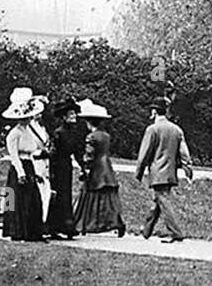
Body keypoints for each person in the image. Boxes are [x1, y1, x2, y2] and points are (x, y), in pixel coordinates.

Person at [135, 96, 194, 242]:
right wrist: (188, 170)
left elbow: (144, 154)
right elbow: (184, 153)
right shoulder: (176, 130)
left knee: (163, 201)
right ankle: (146, 230)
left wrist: (139, 172)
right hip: (170, 172)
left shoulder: (152, 129)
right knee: (158, 201)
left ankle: (176, 232)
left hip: (157, 172)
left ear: (154, 112)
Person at [1, 87, 49, 242]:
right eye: (25, 117)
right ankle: (16, 230)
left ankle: (33, 231)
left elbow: (33, 150)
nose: (28, 119)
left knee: (33, 199)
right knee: (14, 200)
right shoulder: (14, 134)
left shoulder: (29, 131)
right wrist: (21, 172)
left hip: (29, 165)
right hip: (18, 168)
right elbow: (14, 155)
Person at [73, 98, 125, 236]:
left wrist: (85, 168)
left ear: (89, 122)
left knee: (90, 195)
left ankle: (86, 224)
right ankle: (115, 222)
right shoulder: (106, 136)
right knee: (108, 198)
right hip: (106, 166)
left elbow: (90, 154)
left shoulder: (91, 137)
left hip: (96, 167)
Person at [46, 97, 83, 239]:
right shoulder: (58, 133)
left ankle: (67, 227)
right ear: (64, 117)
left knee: (66, 195)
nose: (74, 117)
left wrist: (83, 166)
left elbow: (77, 152)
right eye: (71, 114)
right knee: (58, 196)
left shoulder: (74, 132)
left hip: (67, 166)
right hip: (57, 166)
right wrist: (51, 171)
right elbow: (53, 153)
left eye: (74, 114)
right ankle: (54, 227)